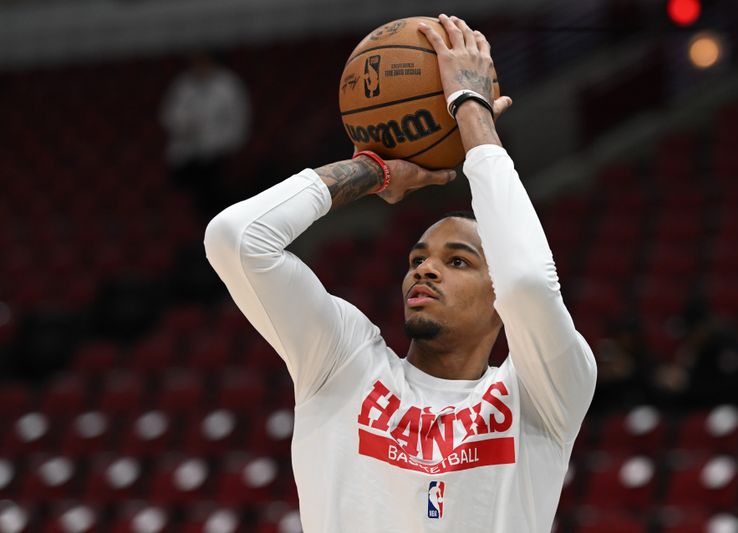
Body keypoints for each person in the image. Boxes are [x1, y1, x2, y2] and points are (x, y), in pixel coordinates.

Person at [204, 15, 596, 533]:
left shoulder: (543, 394)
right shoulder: (343, 364)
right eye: (417, 259)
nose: (426, 269)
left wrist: (470, 110)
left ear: (498, 299)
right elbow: (235, 239)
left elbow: (527, 282)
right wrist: (373, 170)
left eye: (458, 261)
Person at [160, 52, 251, 218]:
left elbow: (238, 121)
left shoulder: (228, 85)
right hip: (188, 156)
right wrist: (186, 126)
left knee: (217, 190)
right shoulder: (183, 85)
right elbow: (170, 117)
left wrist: (221, 145)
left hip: (220, 155)